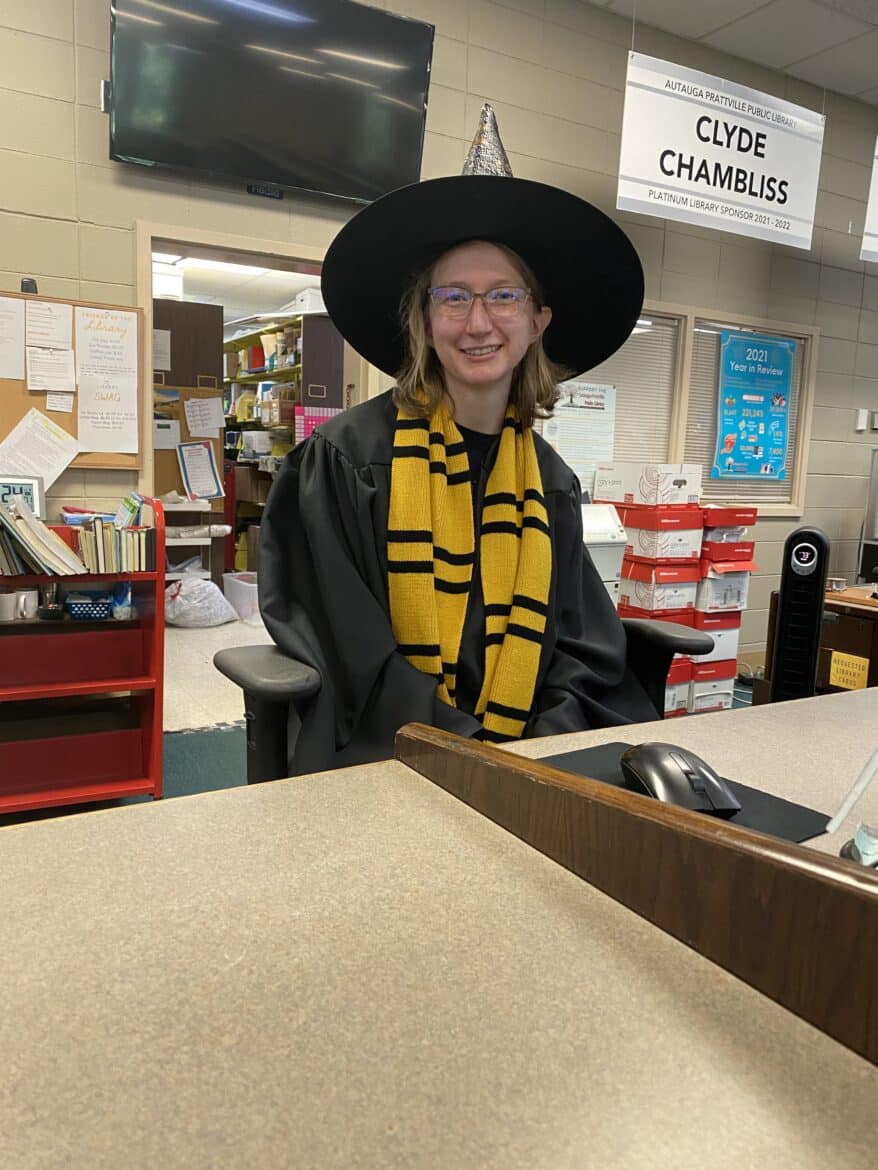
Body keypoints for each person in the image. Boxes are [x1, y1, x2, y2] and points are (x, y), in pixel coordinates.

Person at [259, 105, 655, 775]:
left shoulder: (550, 482)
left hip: (529, 759)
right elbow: (350, 654)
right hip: (396, 757)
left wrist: (545, 750)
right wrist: (466, 750)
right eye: (453, 297)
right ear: (424, 318)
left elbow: (581, 649)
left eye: (503, 296)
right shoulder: (345, 462)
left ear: (537, 321)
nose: (478, 323)